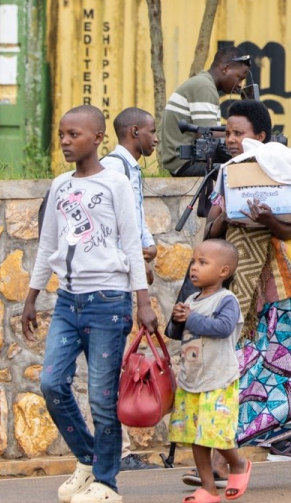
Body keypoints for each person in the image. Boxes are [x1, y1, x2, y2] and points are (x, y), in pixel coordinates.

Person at [200, 99, 291, 481]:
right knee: (248, 366)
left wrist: (266, 218)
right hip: (246, 292)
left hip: (283, 287)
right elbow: (210, 233)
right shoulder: (228, 176)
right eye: (227, 132)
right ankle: (228, 458)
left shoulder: (280, 170)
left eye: (239, 133)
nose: (230, 139)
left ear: (260, 136)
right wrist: (224, 216)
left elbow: (290, 229)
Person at [21, 105, 157, 503]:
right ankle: (88, 457)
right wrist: (32, 296)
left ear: (97, 138)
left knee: (101, 398)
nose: (65, 141)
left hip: (108, 303)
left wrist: (143, 302)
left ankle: (107, 483)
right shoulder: (60, 185)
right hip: (67, 301)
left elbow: (131, 244)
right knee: (51, 383)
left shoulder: (116, 183)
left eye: (74, 134)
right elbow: (48, 244)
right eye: (62, 135)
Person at [98, 107, 163, 472]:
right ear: (135, 131)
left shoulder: (130, 169)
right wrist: (136, 257)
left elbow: (135, 221)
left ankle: (118, 452)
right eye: (152, 131)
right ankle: (117, 454)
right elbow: (112, 227)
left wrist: (147, 249)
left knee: (117, 366)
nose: (156, 138)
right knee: (112, 369)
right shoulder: (114, 168)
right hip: (112, 283)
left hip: (126, 277)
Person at [169, 239, 251, 503]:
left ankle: (237, 463)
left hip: (218, 379)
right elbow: (180, 333)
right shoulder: (190, 299)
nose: (194, 267)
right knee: (195, 436)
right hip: (192, 380)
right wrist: (178, 318)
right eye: (193, 261)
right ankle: (208, 489)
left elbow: (223, 328)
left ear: (223, 271)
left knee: (214, 433)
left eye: (203, 263)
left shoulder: (227, 300)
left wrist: (190, 317)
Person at [158, 46, 251, 176]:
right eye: (239, 77)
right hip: (184, 164)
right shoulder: (204, 86)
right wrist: (246, 137)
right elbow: (207, 136)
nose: (241, 84)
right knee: (243, 170)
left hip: (186, 162)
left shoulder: (204, 84)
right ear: (225, 69)